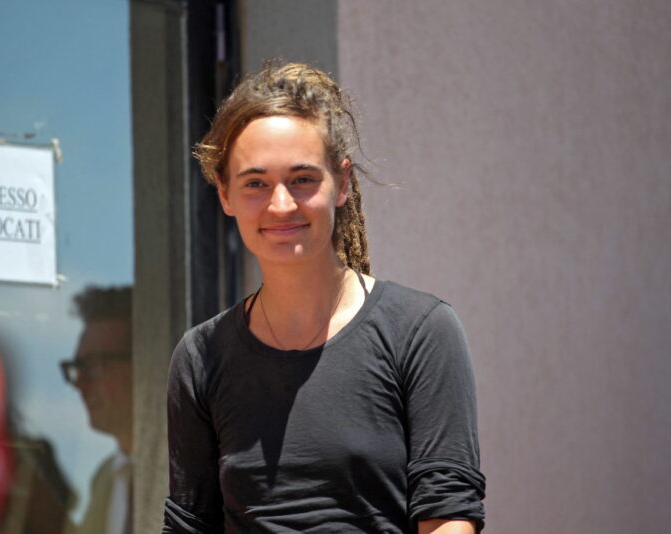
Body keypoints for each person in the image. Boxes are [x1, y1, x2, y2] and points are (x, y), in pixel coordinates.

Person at [164, 62, 486, 533]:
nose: (281, 205)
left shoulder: (420, 331)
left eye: (302, 179)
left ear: (343, 182)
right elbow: (190, 524)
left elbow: (449, 514)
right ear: (225, 195)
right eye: (255, 182)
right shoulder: (201, 357)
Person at [60, 285, 133, 534]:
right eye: (77, 368)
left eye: (93, 366)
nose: (80, 384)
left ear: (143, 362)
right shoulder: (104, 479)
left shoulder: (197, 475)